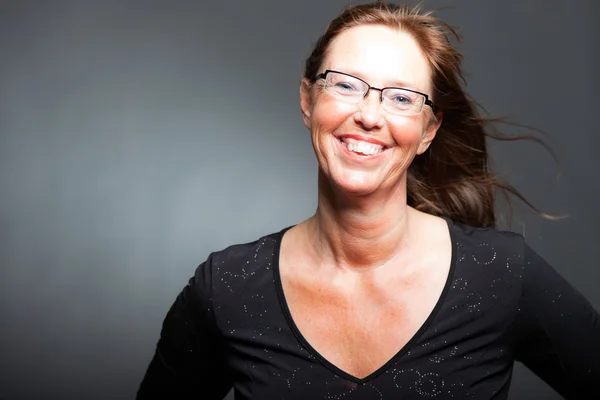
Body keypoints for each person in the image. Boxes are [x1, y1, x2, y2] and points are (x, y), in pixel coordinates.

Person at [137, 1, 600, 399]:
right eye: (345, 84)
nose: (369, 115)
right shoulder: (227, 287)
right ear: (307, 102)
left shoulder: (503, 273)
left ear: (428, 131)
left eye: (401, 98)